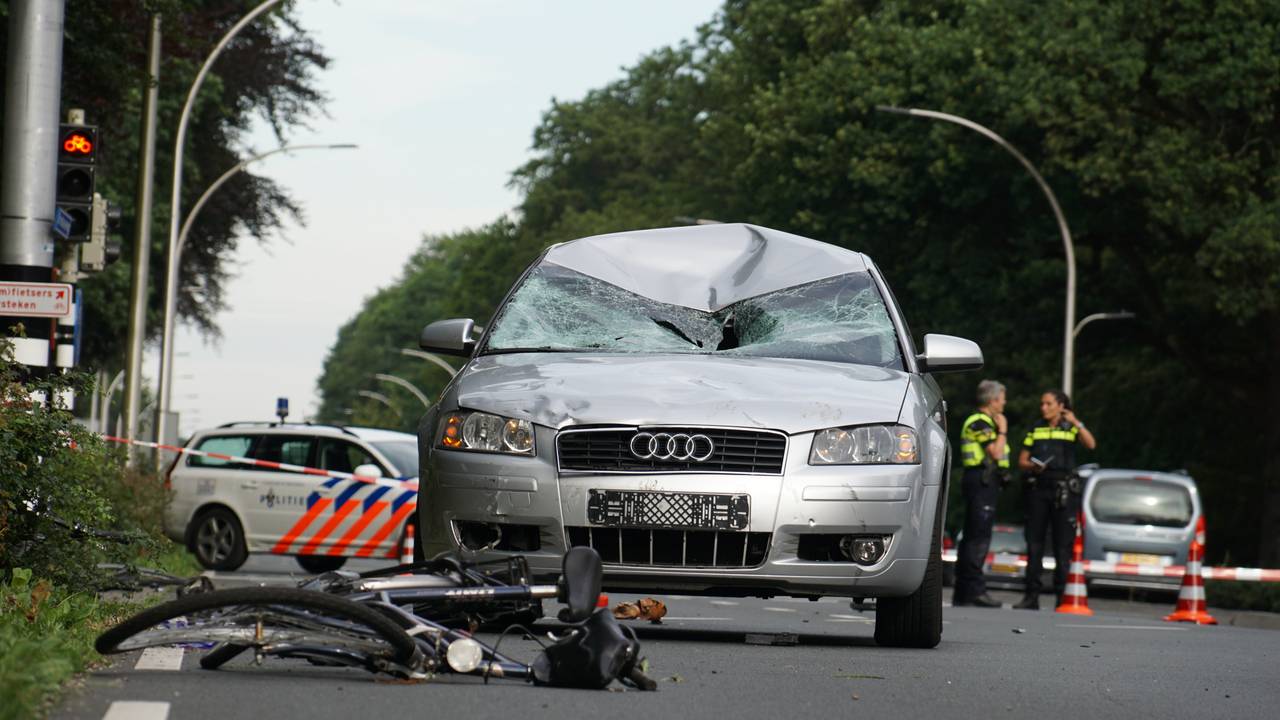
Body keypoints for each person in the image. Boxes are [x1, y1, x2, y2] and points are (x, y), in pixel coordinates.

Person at [1013, 390, 1096, 610]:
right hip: (1039, 488)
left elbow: (1091, 444)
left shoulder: (1070, 427)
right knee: (1035, 543)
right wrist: (1033, 466)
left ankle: (1062, 597)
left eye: (1048, 404)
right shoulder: (1036, 427)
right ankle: (1031, 596)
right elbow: (1022, 460)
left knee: (1062, 546)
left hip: (1063, 491)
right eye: (1042, 404)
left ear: (1061, 406)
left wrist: (1076, 422)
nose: (1044, 408)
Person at [952, 380, 1010, 608]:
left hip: (983, 481)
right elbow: (995, 452)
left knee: (972, 536)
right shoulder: (980, 422)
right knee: (978, 538)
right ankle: (974, 591)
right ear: (993, 400)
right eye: (1002, 399)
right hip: (980, 481)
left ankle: (963, 592)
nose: (1004, 403)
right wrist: (1003, 428)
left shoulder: (983, 422)